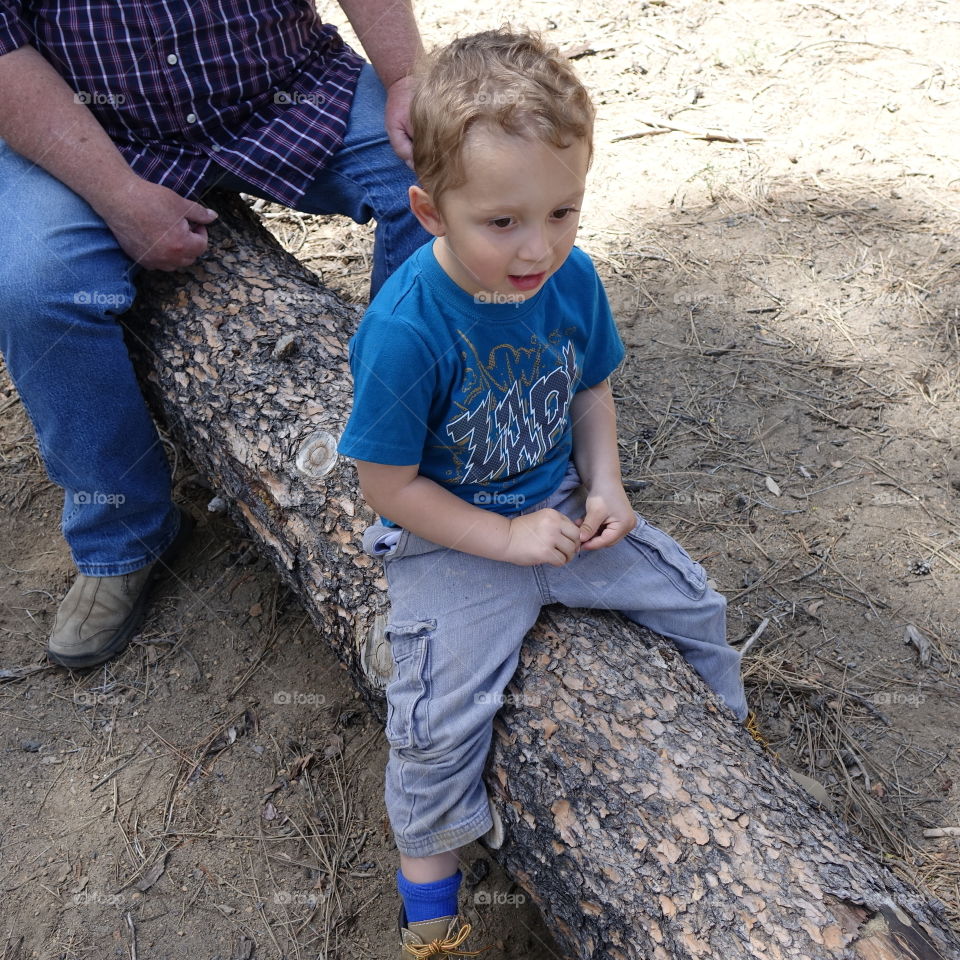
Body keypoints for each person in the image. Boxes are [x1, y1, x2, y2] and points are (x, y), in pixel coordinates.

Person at [337, 28, 749, 956]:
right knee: (436, 725)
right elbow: (386, 485)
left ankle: (729, 756)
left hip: (562, 504)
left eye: (564, 211)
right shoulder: (406, 329)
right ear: (430, 209)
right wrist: (505, 539)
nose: (541, 247)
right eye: (505, 222)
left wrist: (606, 485)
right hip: (452, 537)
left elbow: (589, 386)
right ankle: (432, 910)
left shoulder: (572, 280)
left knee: (696, 603)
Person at [0, 0, 431, 668]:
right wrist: (118, 197)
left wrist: (405, 77)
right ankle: (123, 536)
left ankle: (413, 451)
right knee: (32, 289)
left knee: (445, 181)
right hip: (94, 127)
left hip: (285, 88)